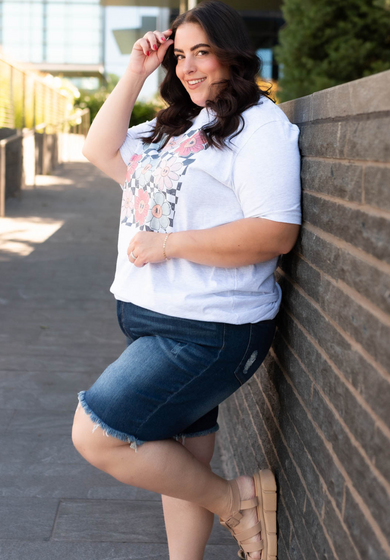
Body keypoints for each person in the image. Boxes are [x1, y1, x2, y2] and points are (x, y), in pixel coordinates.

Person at [71, 1, 301, 559]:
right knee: (177, 461)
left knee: (97, 434)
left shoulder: (259, 127)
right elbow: (98, 149)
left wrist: (169, 244)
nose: (190, 67)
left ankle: (236, 502)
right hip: (157, 317)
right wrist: (136, 72)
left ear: (232, 54)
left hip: (209, 330)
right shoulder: (177, 123)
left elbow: (275, 232)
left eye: (203, 52)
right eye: (181, 56)